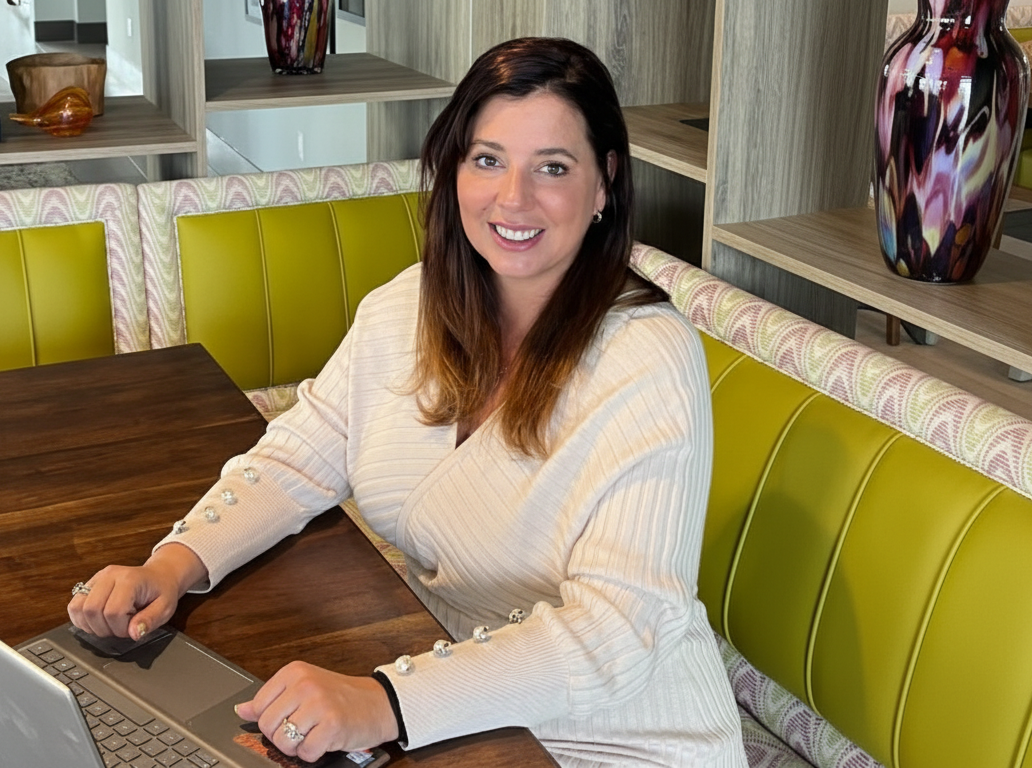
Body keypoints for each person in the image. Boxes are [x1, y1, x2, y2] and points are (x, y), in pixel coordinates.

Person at [69, 37, 747, 768]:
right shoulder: (410, 306)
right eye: (487, 159)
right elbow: (298, 458)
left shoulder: (647, 357)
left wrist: (385, 702)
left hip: (621, 730)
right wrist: (171, 566)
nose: (512, 198)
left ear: (605, 182)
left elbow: (618, 630)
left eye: (552, 167)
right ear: (453, 168)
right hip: (461, 700)